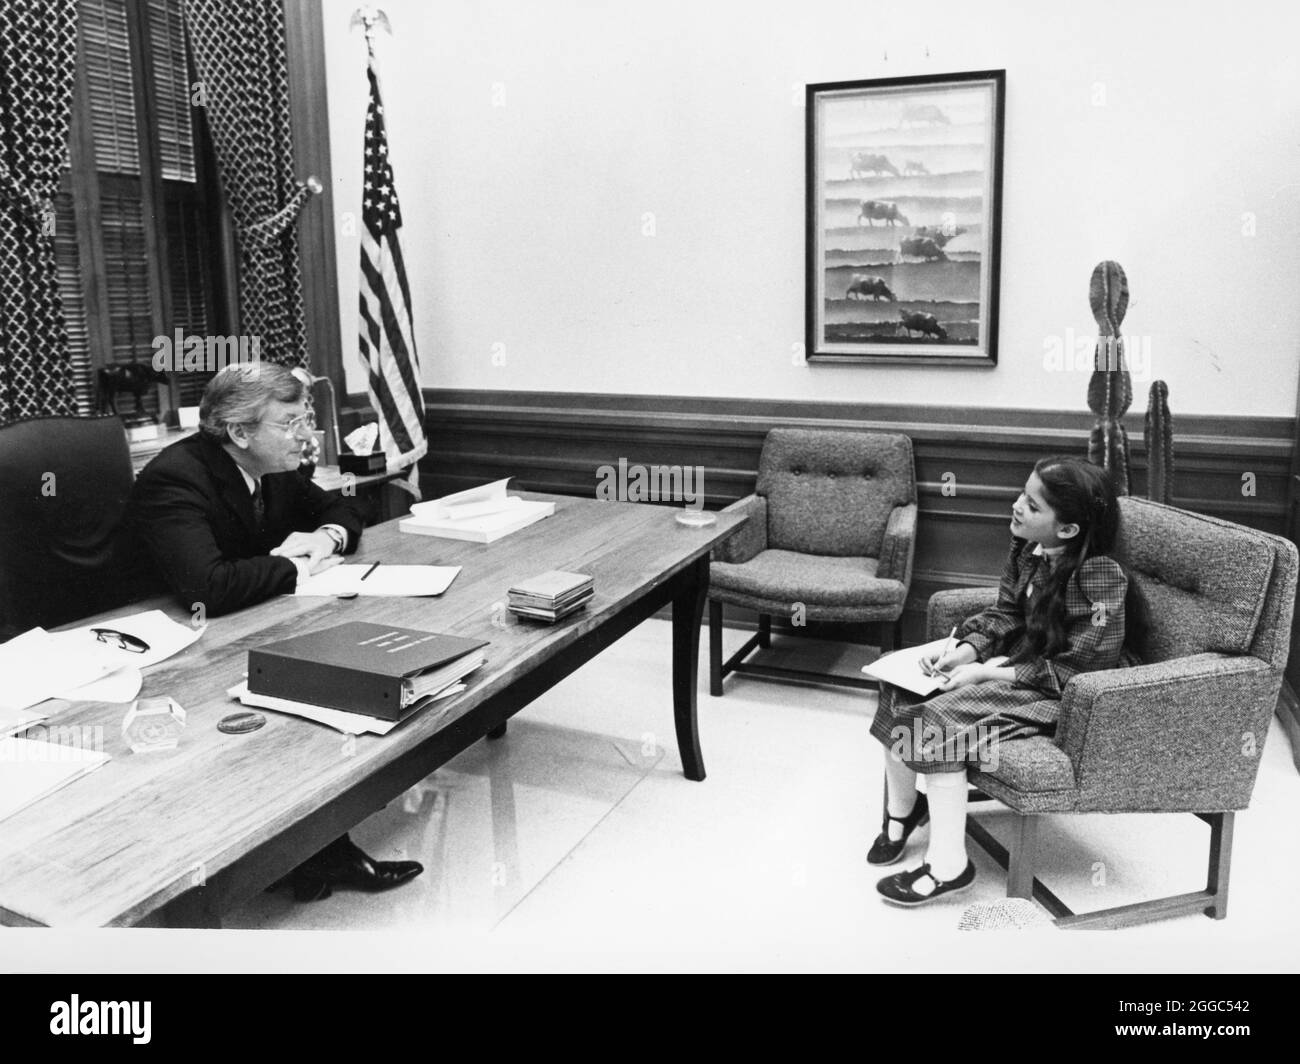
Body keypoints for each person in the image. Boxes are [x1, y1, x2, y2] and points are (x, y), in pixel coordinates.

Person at [128, 362, 423, 902]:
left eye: (304, 418)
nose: (306, 435)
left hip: (252, 624)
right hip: (173, 650)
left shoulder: (275, 463)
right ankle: (283, 857)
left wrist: (327, 537)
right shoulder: (177, 476)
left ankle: (315, 851)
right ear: (239, 433)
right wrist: (294, 566)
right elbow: (208, 587)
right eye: (290, 423)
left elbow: (342, 506)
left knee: (337, 670)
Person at [867, 455, 1144, 906]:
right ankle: (903, 812)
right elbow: (1007, 613)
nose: (1017, 507)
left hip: (1066, 691)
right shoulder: (1027, 548)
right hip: (1018, 665)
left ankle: (949, 867)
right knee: (899, 687)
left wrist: (987, 673)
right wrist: (965, 651)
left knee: (935, 720)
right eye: (1023, 494)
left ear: (1068, 530)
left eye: (1033, 506)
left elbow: (1078, 670)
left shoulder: (1100, 578)